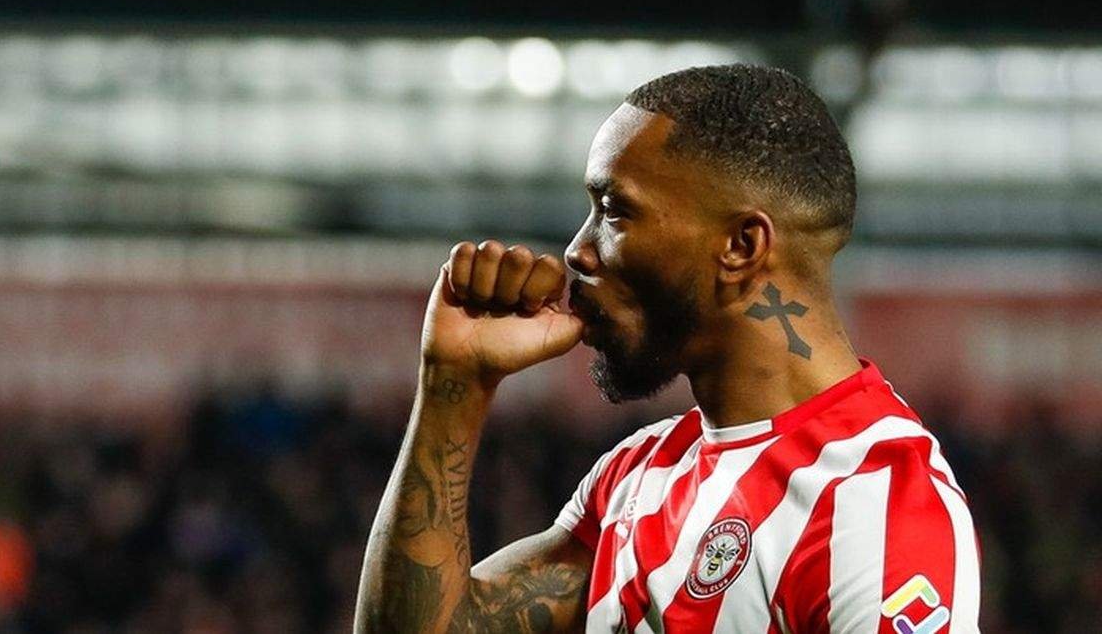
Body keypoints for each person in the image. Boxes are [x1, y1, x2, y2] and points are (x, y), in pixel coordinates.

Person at [354, 64, 980, 633]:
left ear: (740, 246)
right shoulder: (638, 477)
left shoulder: (877, 507)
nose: (577, 251)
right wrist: (454, 384)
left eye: (614, 211)